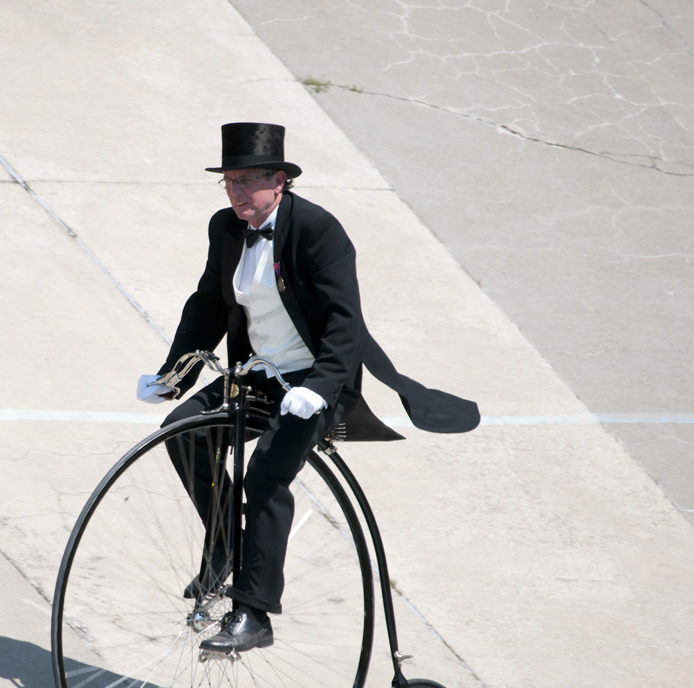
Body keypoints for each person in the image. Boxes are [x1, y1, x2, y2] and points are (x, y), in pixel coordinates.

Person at [137, 122, 479, 654]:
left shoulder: (318, 230)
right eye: (229, 182)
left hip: (318, 381)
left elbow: (346, 320)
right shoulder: (225, 229)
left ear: (279, 181)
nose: (237, 193)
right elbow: (207, 303)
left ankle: (253, 613)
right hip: (257, 375)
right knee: (182, 432)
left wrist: (320, 386)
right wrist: (172, 376)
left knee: (268, 474)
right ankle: (225, 542)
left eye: (248, 181)